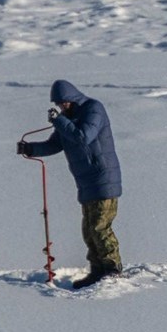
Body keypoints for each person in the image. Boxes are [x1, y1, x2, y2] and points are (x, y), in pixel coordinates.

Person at [17, 80, 123, 289]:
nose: (61, 107)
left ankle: (112, 269)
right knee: (88, 230)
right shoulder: (67, 119)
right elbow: (55, 144)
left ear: (73, 98)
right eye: (58, 104)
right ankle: (97, 270)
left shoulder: (93, 109)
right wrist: (30, 149)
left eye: (64, 103)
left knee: (100, 227)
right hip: (85, 183)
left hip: (103, 179)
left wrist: (60, 122)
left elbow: (84, 136)